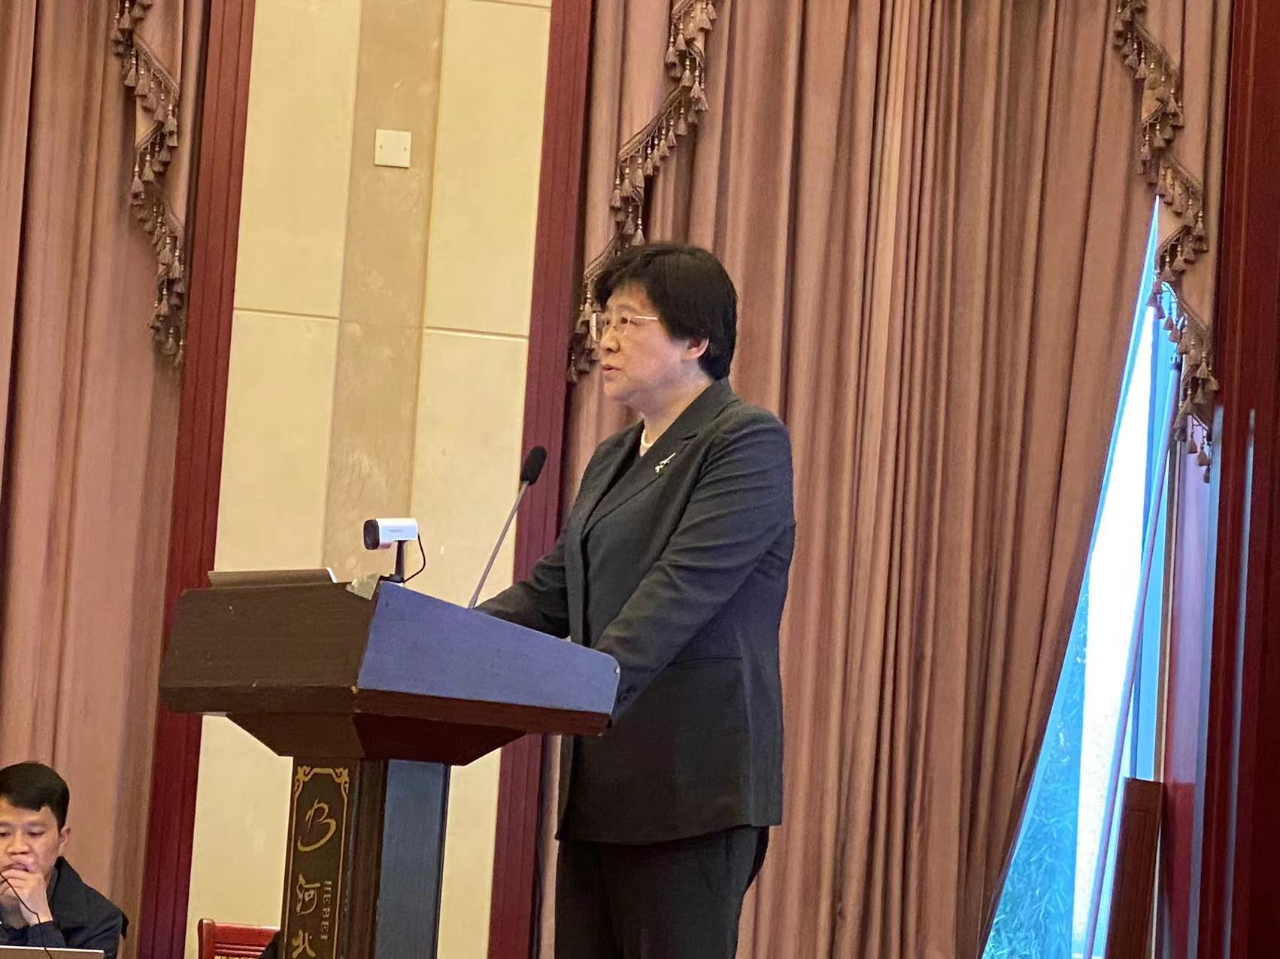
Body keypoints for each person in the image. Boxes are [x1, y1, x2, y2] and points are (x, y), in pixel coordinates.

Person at [480, 243, 795, 959]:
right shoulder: (613, 457)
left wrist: (572, 689)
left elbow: (678, 593)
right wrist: (438, 643)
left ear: (696, 341)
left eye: (628, 321)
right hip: (602, 789)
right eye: (605, 320)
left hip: (691, 788)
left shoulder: (744, 441)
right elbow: (553, 590)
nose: (607, 339)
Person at [0, 762, 127, 958]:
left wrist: (41, 921)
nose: (17, 848)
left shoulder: (100, 920)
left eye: (34, 833)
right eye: (2, 833)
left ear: (62, 839)